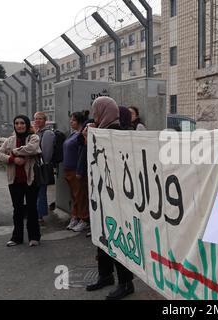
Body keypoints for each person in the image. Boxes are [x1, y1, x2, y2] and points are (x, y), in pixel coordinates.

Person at [85, 96, 135, 300]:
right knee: (102, 235)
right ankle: (105, 275)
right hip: (102, 193)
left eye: (96, 111)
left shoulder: (121, 133)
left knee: (117, 238)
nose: (94, 115)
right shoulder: (99, 132)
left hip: (119, 197)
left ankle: (126, 282)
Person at [0, 115, 42, 247]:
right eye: (16, 123)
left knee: (32, 208)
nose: (19, 125)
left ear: (27, 125)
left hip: (31, 179)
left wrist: (14, 152)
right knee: (17, 209)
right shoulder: (10, 140)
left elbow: (32, 148)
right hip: (14, 180)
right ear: (14, 125)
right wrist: (12, 159)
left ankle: (34, 237)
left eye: (22, 123)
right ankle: (17, 237)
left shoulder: (33, 137)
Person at [63, 111, 90, 232]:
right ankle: (75, 216)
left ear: (79, 121)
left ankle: (84, 219)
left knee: (80, 196)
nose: (71, 122)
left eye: (73, 120)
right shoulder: (73, 134)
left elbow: (82, 153)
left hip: (76, 170)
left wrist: (80, 170)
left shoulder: (81, 135)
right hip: (68, 169)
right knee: (74, 196)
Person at [33, 112, 55, 224]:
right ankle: (37, 213)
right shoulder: (36, 132)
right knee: (36, 191)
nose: (37, 121)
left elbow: (47, 153)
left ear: (45, 120)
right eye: (36, 119)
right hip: (36, 167)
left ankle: (40, 215)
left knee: (41, 191)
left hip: (42, 167)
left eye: (40, 119)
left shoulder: (47, 134)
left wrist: (43, 165)